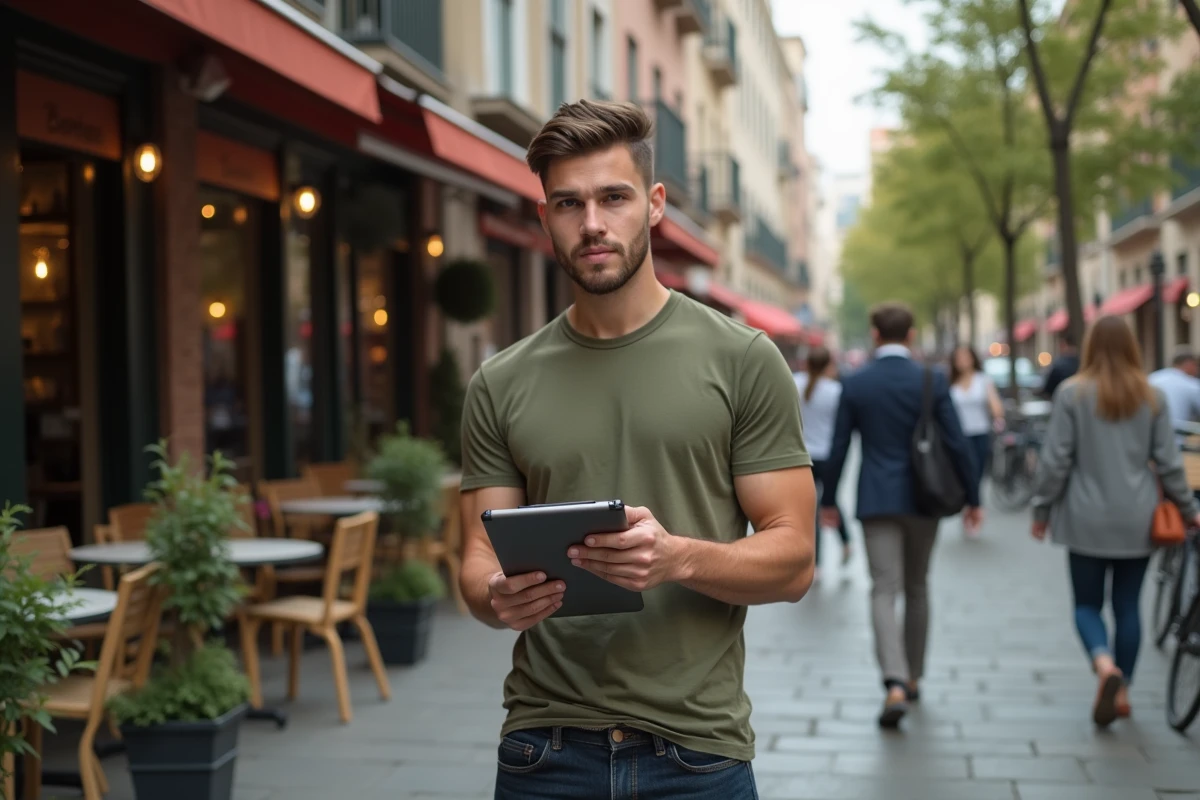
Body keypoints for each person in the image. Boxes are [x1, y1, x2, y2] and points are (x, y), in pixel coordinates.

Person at [456, 99, 816, 799]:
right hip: (544, 747)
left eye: (612, 198)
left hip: (697, 753)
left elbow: (795, 560)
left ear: (653, 205)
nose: (591, 223)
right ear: (544, 219)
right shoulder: (501, 381)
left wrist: (679, 556)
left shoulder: (742, 359)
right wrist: (495, 597)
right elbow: (475, 557)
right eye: (568, 203)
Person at [1030, 315, 1200, 727]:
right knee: (1128, 606)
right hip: (1137, 517)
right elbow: (1169, 462)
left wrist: (1041, 509)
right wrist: (1189, 510)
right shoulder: (1151, 396)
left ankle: (1104, 665)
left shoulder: (1072, 394)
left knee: (1087, 604)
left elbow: (1056, 460)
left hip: (1084, 516)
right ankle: (1123, 689)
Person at [820, 302, 980, 728]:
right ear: (911, 336)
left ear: (874, 334)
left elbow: (838, 449)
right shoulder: (931, 378)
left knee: (883, 589)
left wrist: (829, 498)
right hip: (925, 499)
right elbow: (958, 442)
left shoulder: (856, 382)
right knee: (918, 586)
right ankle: (913, 676)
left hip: (876, 499)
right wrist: (974, 497)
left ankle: (891, 680)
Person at [794, 346, 851, 573]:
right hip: (827, 455)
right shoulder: (835, 390)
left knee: (810, 509)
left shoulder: (794, 383)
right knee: (829, 500)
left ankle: (815, 562)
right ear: (829, 364)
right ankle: (846, 542)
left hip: (801, 454)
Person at [948, 345, 1005, 536]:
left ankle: (972, 509)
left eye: (965, 357)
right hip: (957, 437)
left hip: (979, 435)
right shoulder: (949, 383)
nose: (962, 361)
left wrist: (996, 412)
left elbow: (996, 407)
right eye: (959, 357)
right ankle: (973, 508)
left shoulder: (983, 380)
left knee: (976, 474)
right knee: (963, 476)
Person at [1148, 350, 1200, 435]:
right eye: (1196, 366)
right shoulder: (1191, 384)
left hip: (1147, 436)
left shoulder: (1153, 377)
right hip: (1176, 439)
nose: (1197, 370)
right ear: (1189, 364)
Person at [1040, 333, 1080, 399]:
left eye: (1061, 346)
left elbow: (1048, 388)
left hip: (1062, 399)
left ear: (1065, 345)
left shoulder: (1059, 364)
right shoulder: (1082, 361)